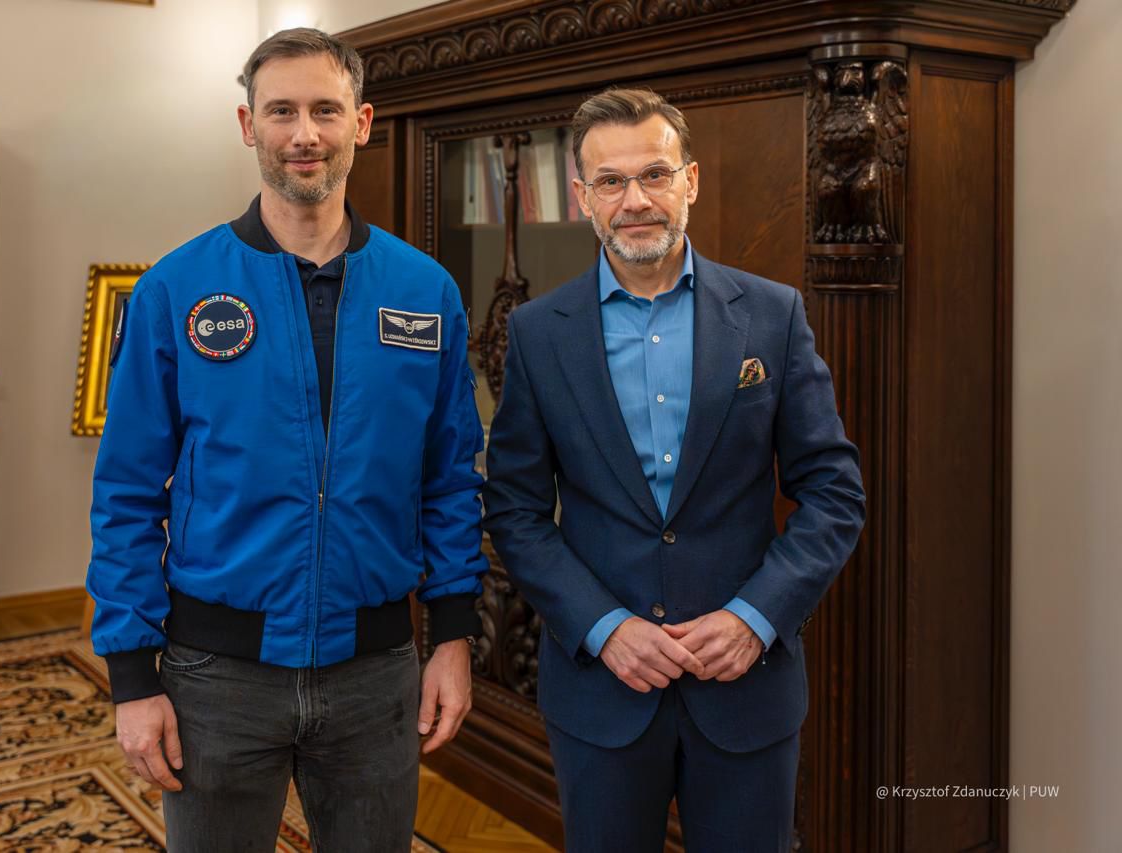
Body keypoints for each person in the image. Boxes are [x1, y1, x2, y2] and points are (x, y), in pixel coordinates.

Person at [86, 28, 487, 853]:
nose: (305, 133)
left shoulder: (425, 292)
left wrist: (451, 635)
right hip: (216, 678)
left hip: (376, 674)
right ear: (248, 126)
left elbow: (449, 478)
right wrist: (131, 676)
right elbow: (125, 491)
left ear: (361, 123)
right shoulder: (176, 289)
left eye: (325, 110)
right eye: (281, 111)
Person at [481, 88, 866, 852]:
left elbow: (834, 492)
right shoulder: (536, 333)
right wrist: (604, 627)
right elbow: (515, 512)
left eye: (654, 174)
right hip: (600, 693)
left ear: (690, 180)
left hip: (746, 690)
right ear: (584, 197)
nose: (635, 201)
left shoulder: (772, 315)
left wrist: (755, 616)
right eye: (612, 181)